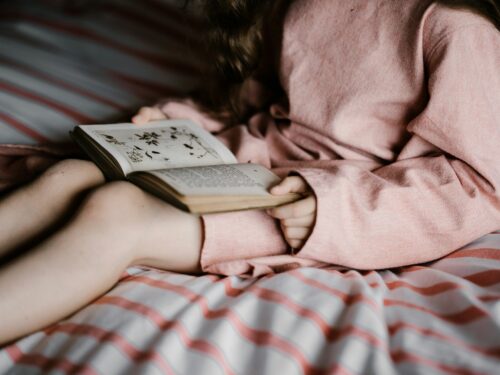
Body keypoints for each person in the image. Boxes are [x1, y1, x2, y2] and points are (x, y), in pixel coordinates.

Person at [0, 0, 499, 345]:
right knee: (68, 176)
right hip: (244, 164)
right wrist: (184, 124)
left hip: (314, 206)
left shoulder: (455, 27)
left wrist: (335, 211)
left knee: (114, 211)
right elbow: (266, 102)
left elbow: (478, 184)